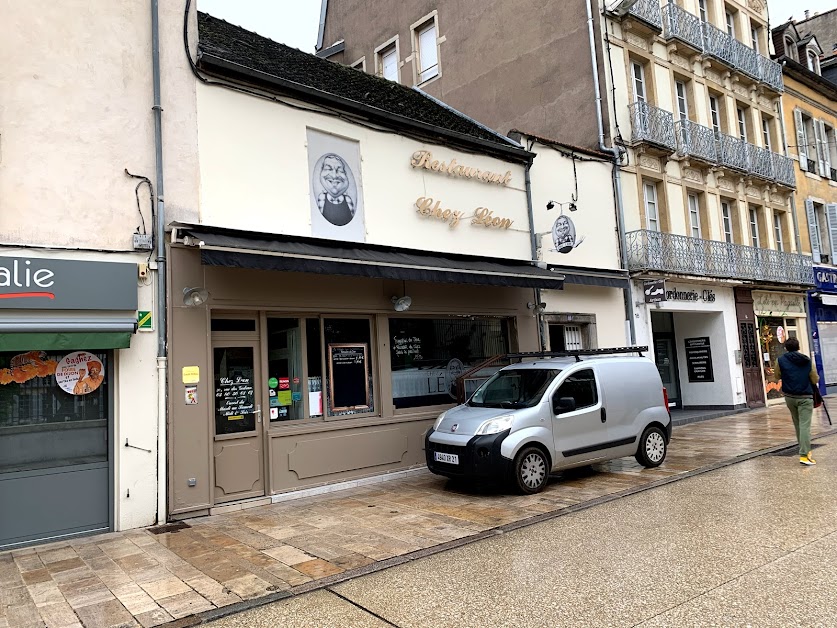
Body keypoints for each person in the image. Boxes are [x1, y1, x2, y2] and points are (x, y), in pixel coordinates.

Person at [777, 337, 819, 465]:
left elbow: (777, 375)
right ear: (798, 346)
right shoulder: (807, 361)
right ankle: (804, 454)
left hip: (790, 396)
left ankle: (804, 450)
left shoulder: (780, 360)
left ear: (786, 348)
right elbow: (814, 379)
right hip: (805, 396)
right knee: (805, 426)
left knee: (797, 424)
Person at [316, 154, 355, 226]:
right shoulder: (322, 198)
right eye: (328, 169)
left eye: (340, 170)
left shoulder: (348, 200)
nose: (334, 175)